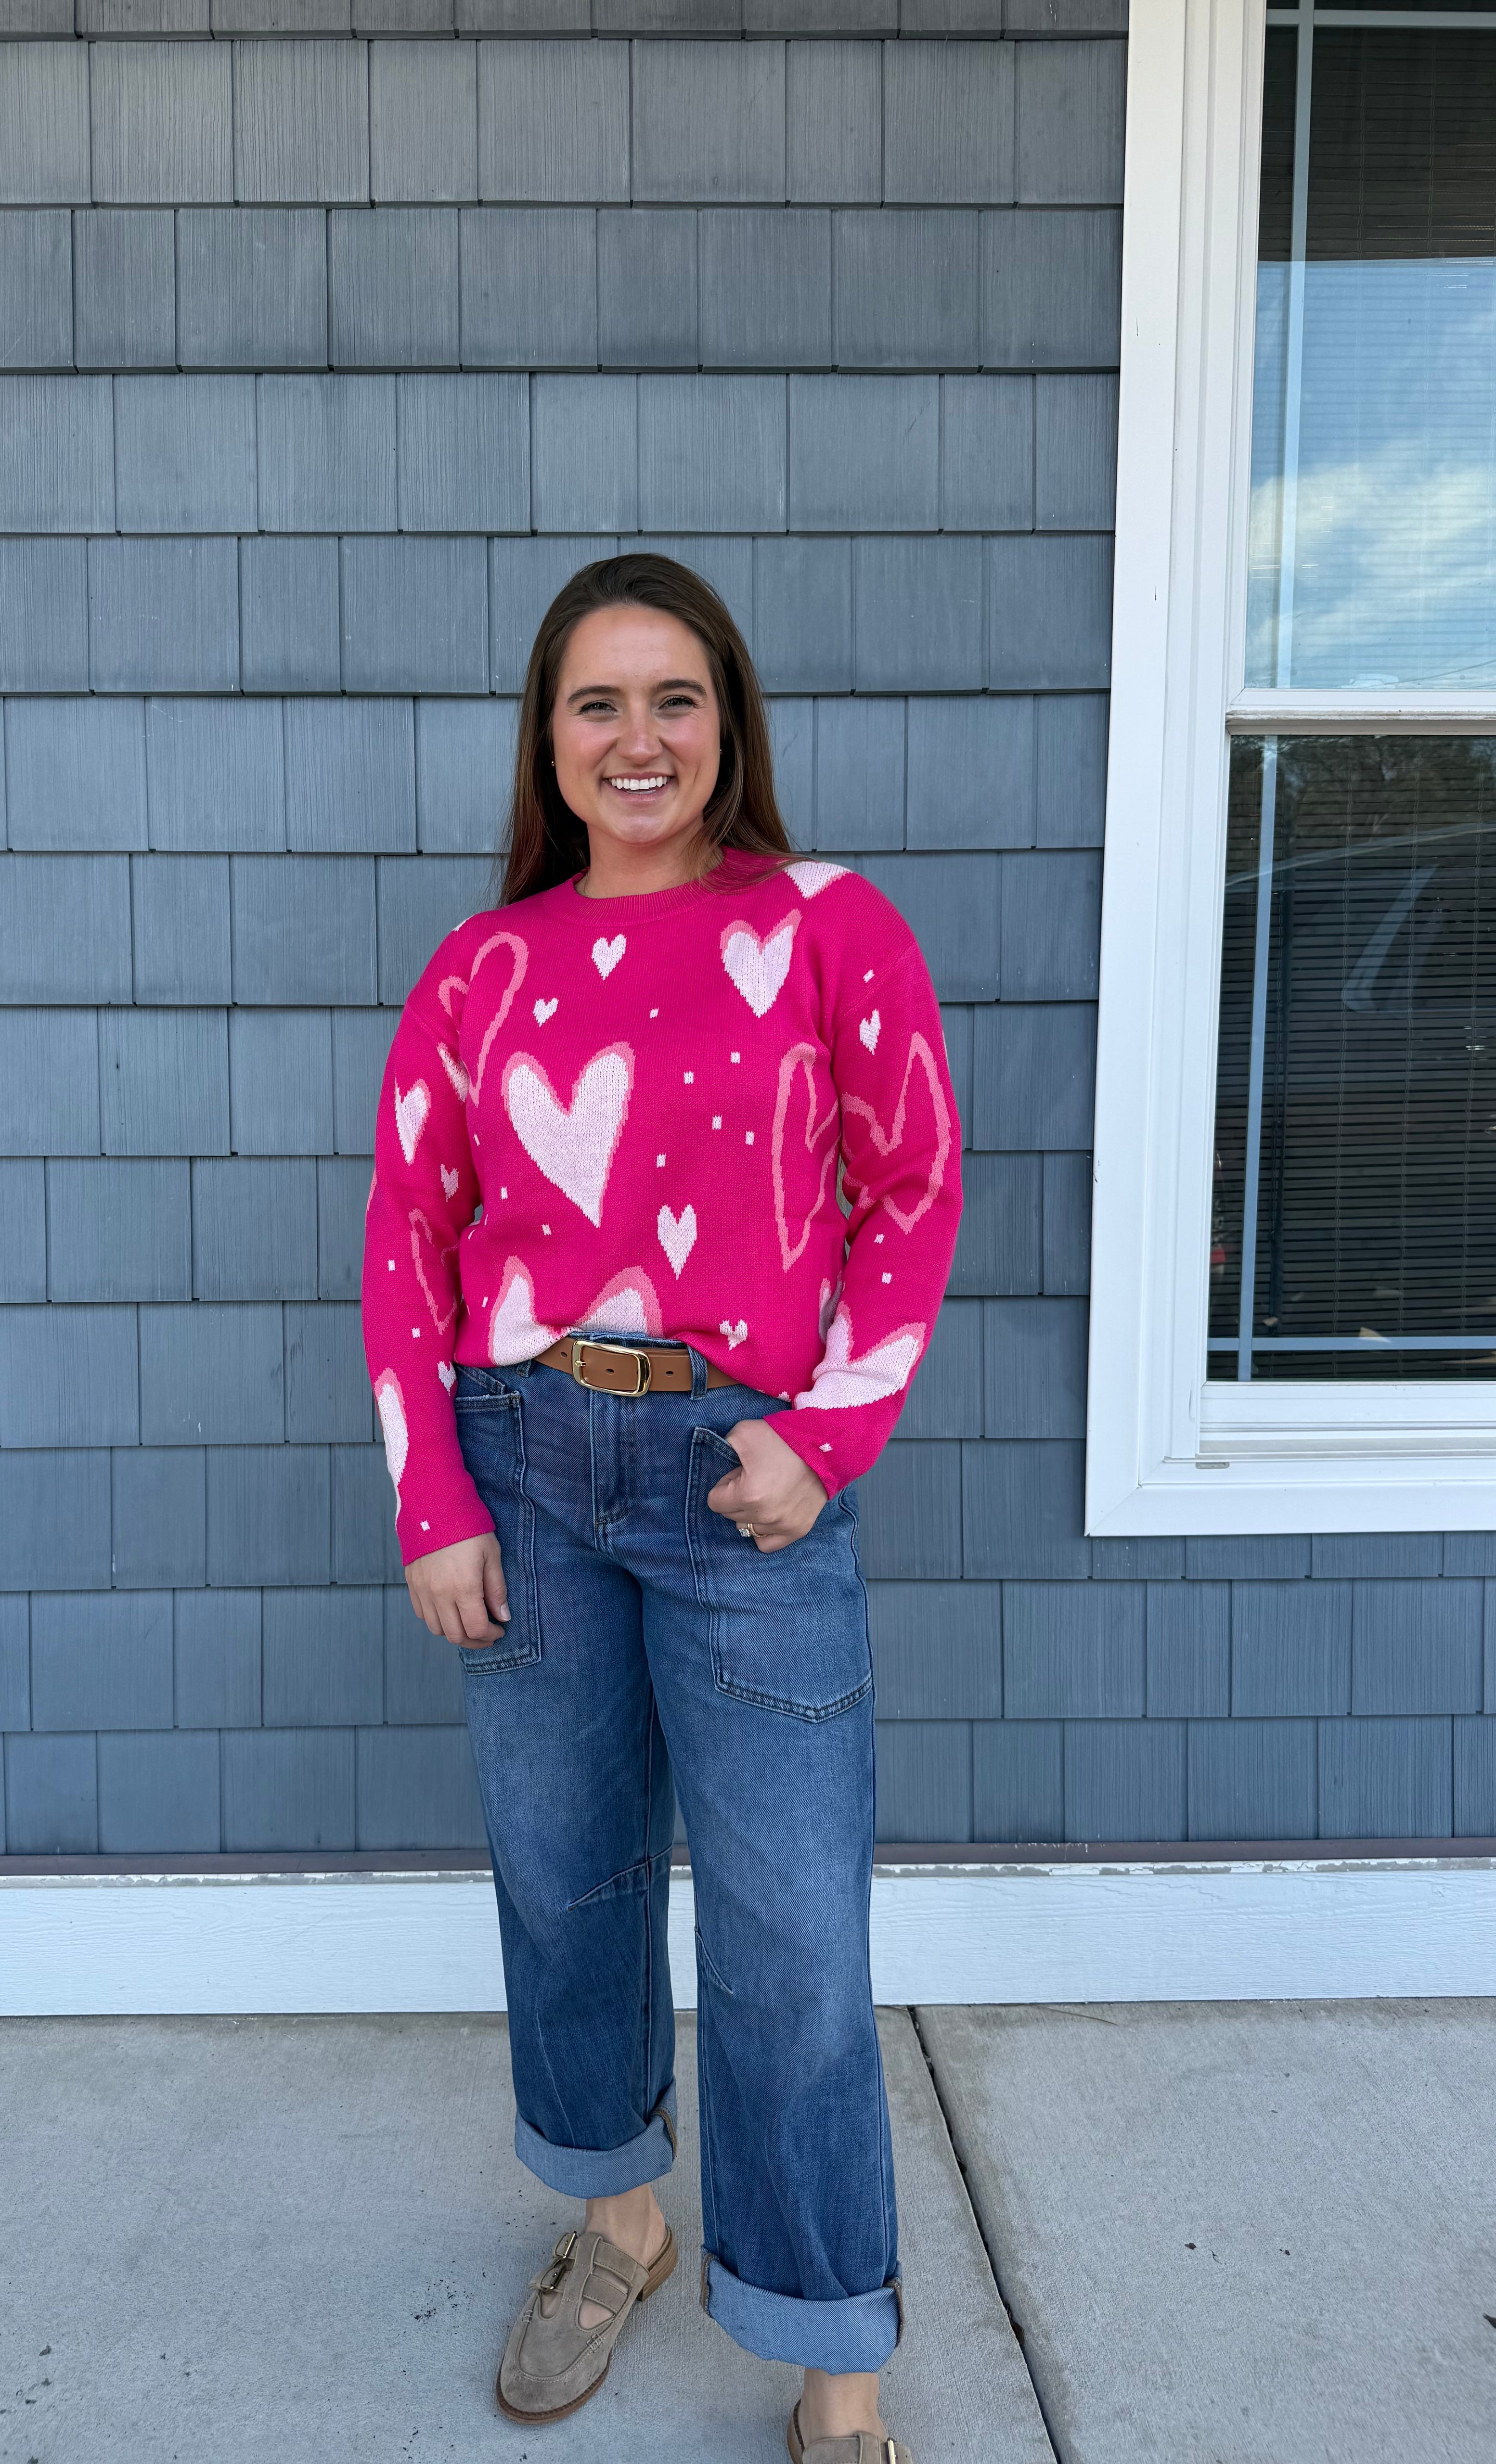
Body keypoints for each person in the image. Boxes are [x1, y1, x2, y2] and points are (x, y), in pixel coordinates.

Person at [360, 553, 962, 2463]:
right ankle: (615, 2213)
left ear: (729, 723)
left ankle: (835, 2359)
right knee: (568, 1878)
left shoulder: (831, 929)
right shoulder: (484, 965)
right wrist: (430, 1494)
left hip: (747, 1478)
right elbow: (409, 1231)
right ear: (549, 739)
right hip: (526, 1466)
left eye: (674, 697)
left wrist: (831, 1435)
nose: (639, 737)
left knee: (792, 1927)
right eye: (597, 703)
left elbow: (916, 1192)